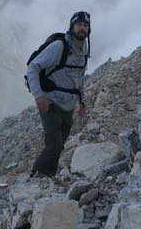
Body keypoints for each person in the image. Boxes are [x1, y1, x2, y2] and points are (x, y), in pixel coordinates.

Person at [26, 11, 91, 179]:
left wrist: (81, 101)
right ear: (72, 26)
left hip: (68, 104)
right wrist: (39, 96)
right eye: (79, 24)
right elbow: (33, 67)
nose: (82, 28)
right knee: (54, 144)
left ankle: (49, 175)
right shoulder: (59, 46)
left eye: (85, 25)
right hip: (50, 101)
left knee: (60, 143)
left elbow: (79, 77)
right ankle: (37, 176)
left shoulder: (84, 50)